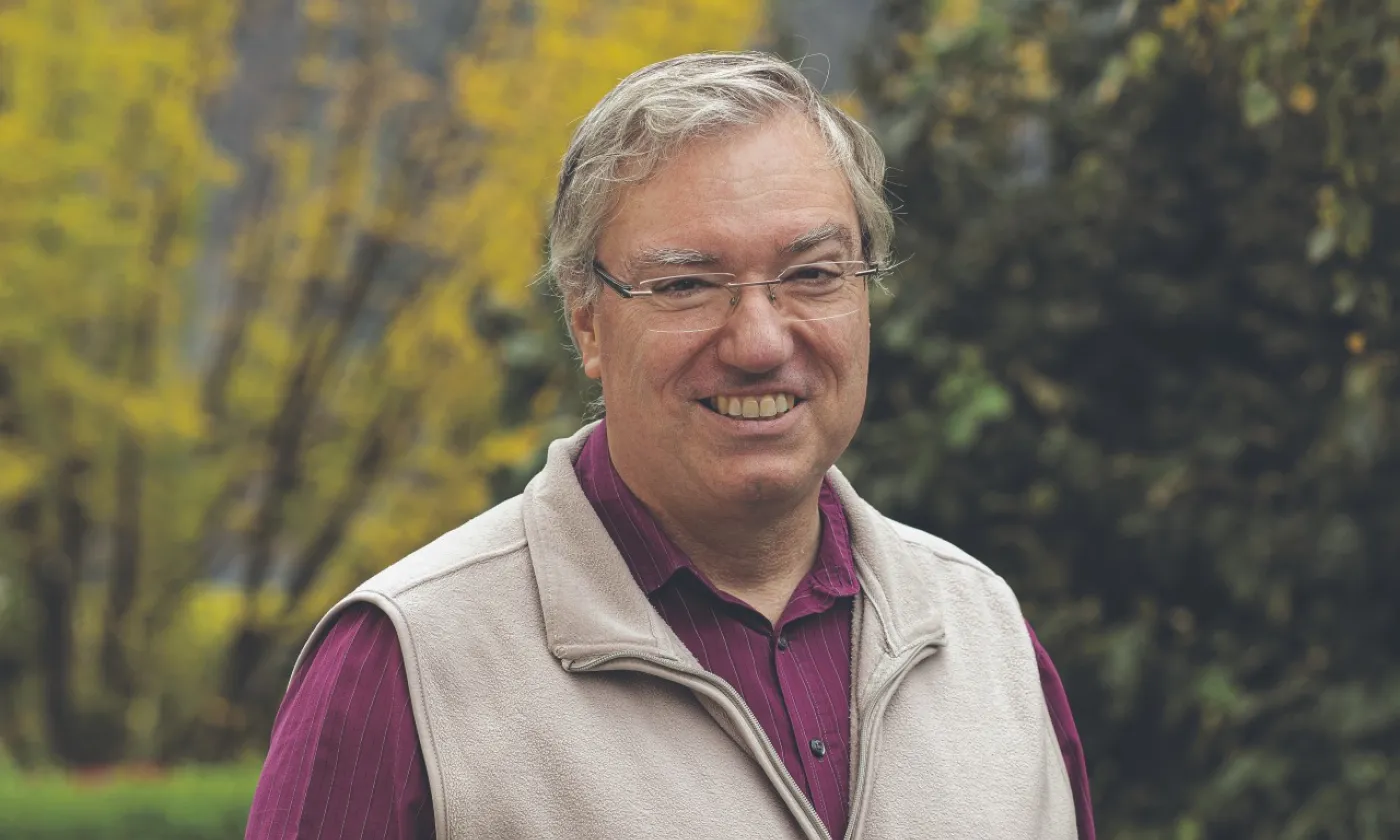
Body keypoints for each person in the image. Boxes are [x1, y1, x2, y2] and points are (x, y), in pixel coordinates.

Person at [245, 51, 1094, 840]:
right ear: (587, 322)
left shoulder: (989, 641)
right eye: (687, 283)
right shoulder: (403, 667)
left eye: (812, 274)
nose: (760, 340)